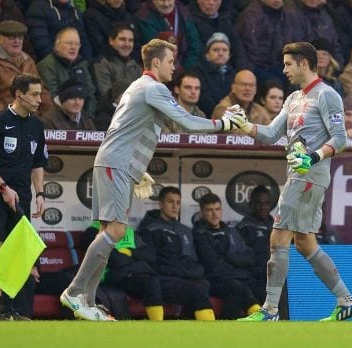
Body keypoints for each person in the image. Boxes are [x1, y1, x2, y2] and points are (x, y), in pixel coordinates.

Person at [59, 39, 237, 321]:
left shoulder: (138, 87)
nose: (174, 67)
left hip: (118, 163)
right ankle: (75, 291)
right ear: (156, 62)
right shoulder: (153, 88)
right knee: (114, 231)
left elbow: (131, 129)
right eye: (170, 61)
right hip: (115, 164)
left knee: (109, 231)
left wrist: (137, 168)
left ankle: (87, 300)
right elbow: (187, 123)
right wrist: (225, 124)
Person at [227, 42, 352, 321]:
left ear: (304, 64)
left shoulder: (327, 96)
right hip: (298, 174)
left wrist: (312, 157)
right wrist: (244, 125)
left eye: (288, 64)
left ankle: (270, 310)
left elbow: (341, 139)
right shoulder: (294, 98)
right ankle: (346, 301)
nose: (284, 69)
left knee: (278, 237)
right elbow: (271, 134)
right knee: (305, 243)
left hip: (309, 174)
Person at [0, 73, 47, 321]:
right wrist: (3, 188)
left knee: (16, 251)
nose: (40, 99)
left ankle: (8, 309)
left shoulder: (37, 126)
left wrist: (39, 193)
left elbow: (38, 163)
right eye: (35, 94)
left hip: (23, 195)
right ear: (19, 95)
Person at [138, 186, 216, 320]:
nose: (175, 206)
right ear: (161, 204)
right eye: (170, 202)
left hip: (185, 278)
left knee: (204, 284)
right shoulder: (149, 229)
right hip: (163, 278)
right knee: (198, 290)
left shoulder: (185, 230)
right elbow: (151, 261)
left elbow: (193, 260)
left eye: (178, 202)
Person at [192, 193, 262, 319]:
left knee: (261, 287)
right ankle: (257, 316)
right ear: (202, 212)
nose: (215, 214)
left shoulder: (231, 231)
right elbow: (212, 264)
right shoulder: (199, 234)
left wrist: (228, 256)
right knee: (236, 287)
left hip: (239, 277)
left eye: (217, 209)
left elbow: (250, 258)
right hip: (215, 281)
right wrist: (237, 265)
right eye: (209, 210)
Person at [0, 20, 53, 126]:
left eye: (20, 38)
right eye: (11, 38)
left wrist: (49, 116)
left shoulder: (28, 60)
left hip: (27, 119)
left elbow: (41, 92)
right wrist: (10, 116)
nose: (17, 41)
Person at [37, 27, 98, 115]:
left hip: (83, 118)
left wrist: (87, 117)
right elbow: (52, 95)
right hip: (58, 117)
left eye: (77, 44)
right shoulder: (47, 65)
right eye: (69, 43)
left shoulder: (82, 65)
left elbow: (91, 94)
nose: (73, 47)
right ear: (57, 45)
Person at [236, 185, 274, 299]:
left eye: (266, 203)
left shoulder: (279, 226)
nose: (263, 207)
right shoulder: (243, 228)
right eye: (259, 203)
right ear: (251, 205)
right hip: (257, 276)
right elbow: (245, 258)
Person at [92, 24, 142, 99]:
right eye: (122, 39)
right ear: (111, 41)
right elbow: (105, 95)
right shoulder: (102, 64)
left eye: (130, 40)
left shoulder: (135, 65)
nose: (127, 44)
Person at [194, 32, 237, 117]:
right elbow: (204, 101)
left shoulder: (233, 73)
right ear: (207, 55)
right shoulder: (198, 72)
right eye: (216, 50)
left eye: (224, 50)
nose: (221, 53)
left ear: (229, 55)